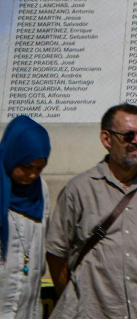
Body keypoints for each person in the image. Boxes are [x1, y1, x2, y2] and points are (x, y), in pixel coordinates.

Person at [45, 103, 137, 318]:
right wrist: (80, 299)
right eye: (128, 136)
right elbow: (56, 255)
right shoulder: (80, 189)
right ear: (106, 139)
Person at [0, 115, 51, 318]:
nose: (32, 175)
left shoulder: (41, 190)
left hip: (28, 307)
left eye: (39, 168)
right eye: (26, 167)